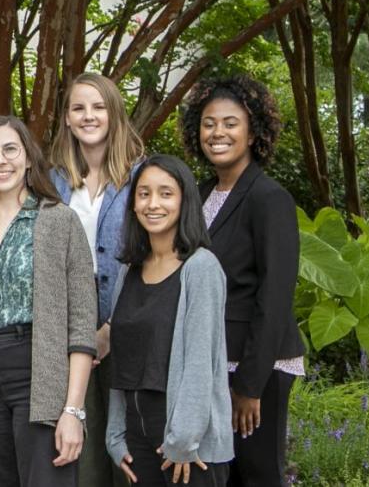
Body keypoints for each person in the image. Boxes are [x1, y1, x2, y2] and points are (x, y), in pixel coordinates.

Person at [0, 116, 96, 487]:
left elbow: (81, 322)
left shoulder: (59, 221)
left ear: (28, 159)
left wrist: (73, 410)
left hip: (37, 371)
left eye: (10, 149)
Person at [180, 75, 303, 486]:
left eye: (230, 123)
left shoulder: (269, 199)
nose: (218, 133)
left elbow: (274, 295)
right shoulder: (199, 194)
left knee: (257, 473)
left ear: (253, 133)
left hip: (255, 366)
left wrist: (250, 385)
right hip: (213, 359)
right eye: (209, 123)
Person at [105, 154, 233, 486]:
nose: (153, 203)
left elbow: (200, 362)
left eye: (166, 193)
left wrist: (182, 441)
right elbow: (122, 360)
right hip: (138, 436)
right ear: (133, 204)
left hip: (187, 445)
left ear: (184, 200)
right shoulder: (128, 270)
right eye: (144, 193)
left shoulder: (201, 268)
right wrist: (116, 437)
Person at [46, 72, 145, 487]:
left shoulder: (141, 176)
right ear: (67, 119)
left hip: (128, 329)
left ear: (114, 113)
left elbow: (150, 257)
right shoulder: (51, 181)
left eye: (98, 107)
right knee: (81, 458)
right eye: (78, 108)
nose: (89, 116)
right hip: (70, 335)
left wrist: (110, 329)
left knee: (129, 454)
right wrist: (78, 335)